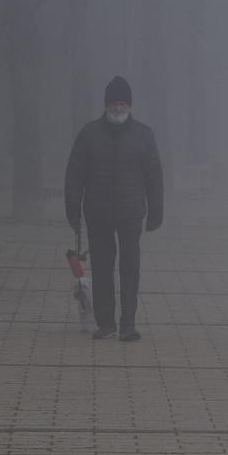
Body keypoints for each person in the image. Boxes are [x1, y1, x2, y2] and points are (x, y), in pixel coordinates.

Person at [64, 76, 164, 341]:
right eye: (113, 103)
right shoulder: (89, 134)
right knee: (102, 266)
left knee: (130, 268)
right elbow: (74, 175)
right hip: (98, 213)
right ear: (105, 105)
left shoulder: (144, 136)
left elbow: (154, 175)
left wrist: (156, 212)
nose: (118, 108)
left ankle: (128, 324)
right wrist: (72, 211)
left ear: (130, 106)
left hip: (131, 213)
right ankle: (106, 323)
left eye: (122, 103)